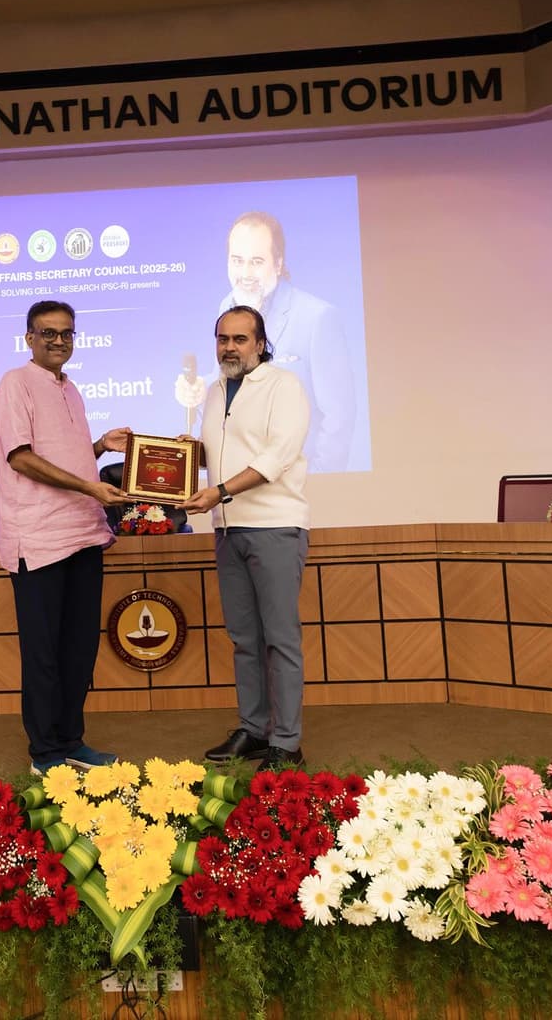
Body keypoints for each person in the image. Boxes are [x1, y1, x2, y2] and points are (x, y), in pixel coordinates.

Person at [0, 300, 132, 775]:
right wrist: (90, 485)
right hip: (38, 540)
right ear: (28, 338)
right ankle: (45, 753)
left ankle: (72, 741)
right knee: (44, 654)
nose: (58, 341)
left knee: (78, 650)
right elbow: (22, 458)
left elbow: (65, 458)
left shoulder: (71, 390)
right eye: (47, 333)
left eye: (66, 333)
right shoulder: (16, 383)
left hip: (83, 535)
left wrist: (99, 448)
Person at [181, 305, 311, 771]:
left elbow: (276, 457)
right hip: (228, 527)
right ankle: (254, 730)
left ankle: (287, 741)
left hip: (274, 525)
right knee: (244, 639)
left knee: (280, 639)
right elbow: (218, 456)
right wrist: (180, 457)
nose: (229, 348)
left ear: (260, 343)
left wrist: (218, 490)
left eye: (240, 339)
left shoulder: (285, 386)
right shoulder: (216, 391)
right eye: (222, 339)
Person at [217, 210, 355, 472]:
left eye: (256, 261)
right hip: (239, 486)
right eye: (237, 260)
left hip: (297, 487)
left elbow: (339, 417)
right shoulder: (227, 307)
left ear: (278, 263)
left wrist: (321, 480)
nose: (244, 272)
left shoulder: (317, 317)